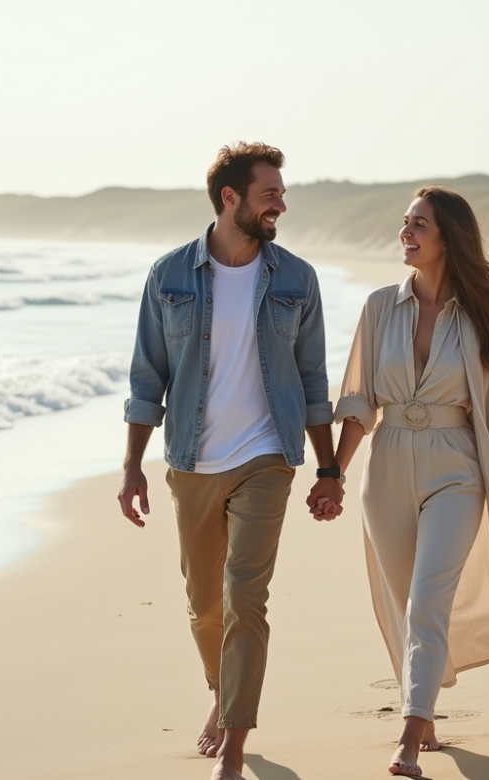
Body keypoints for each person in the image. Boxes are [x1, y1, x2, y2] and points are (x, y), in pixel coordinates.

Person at [117, 142, 344, 780]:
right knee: (205, 605)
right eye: (271, 194)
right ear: (230, 198)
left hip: (267, 457)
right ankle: (221, 697)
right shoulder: (169, 276)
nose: (281, 204)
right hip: (190, 460)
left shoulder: (297, 278)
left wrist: (328, 471)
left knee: (246, 597)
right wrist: (133, 466)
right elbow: (147, 377)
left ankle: (236, 748)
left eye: (280, 193)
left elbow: (312, 380)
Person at [320, 186, 489, 777]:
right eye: (404, 223)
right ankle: (423, 709)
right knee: (406, 600)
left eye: (418, 225)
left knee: (429, 598)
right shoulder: (379, 307)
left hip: (457, 467)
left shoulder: (484, 315)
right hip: (388, 460)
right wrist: (333, 475)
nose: (406, 233)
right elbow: (356, 402)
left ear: (447, 237)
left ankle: (407, 734)